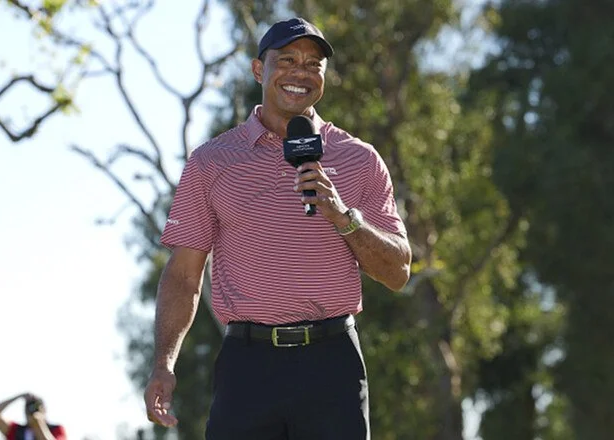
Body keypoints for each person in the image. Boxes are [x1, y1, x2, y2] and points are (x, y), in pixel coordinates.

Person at [143, 17, 412, 440]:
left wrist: (344, 217)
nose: (300, 73)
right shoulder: (211, 161)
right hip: (247, 366)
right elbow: (183, 275)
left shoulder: (360, 159)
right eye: (286, 60)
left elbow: (398, 272)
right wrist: (164, 363)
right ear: (258, 70)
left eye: (313, 64)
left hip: (333, 365)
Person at [0, 392, 67, 440]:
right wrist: (19, 396)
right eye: (28, 408)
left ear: (44, 410)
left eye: (36, 408)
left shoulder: (56, 429)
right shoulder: (16, 430)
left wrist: (39, 425)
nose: (32, 411)